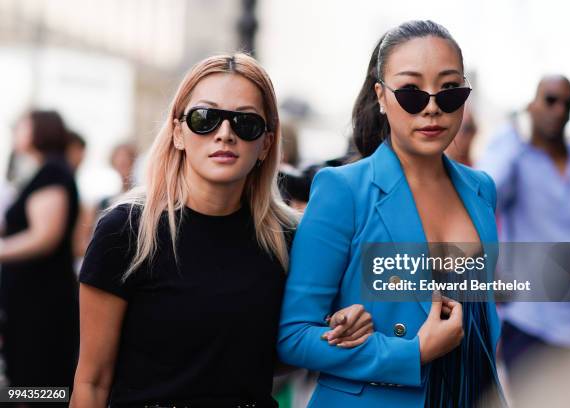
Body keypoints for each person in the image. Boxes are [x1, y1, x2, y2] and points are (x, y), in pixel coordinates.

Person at [70, 53, 372, 408]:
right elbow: (92, 381)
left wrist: (335, 331)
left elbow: (274, 357)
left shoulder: (290, 237)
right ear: (178, 132)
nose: (225, 134)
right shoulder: (127, 230)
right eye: (205, 118)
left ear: (266, 143)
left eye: (245, 123)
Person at [277, 21, 506, 407]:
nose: (432, 107)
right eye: (412, 92)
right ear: (381, 97)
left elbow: (483, 318)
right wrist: (412, 353)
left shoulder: (481, 188)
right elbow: (293, 336)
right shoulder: (343, 190)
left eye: (450, 90)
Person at [478, 75, 570, 390]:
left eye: (567, 103)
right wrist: (514, 135)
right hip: (530, 326)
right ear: (532, 106)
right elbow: (483, 193)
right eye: (550, 100)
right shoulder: (515, 159)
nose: (558, 110)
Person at [0, 110, 80, 400]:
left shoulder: (53, 172)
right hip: (26, 301)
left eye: (22, 126)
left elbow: (44, 237)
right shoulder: (37, 172)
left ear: (39, 131)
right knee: (22, 383)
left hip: (42, 303)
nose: (16, 131)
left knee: (40, 386)